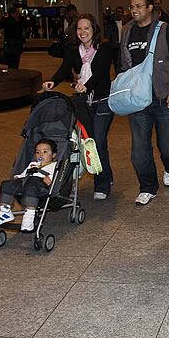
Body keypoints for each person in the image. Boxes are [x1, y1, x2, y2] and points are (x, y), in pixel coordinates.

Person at [119, 0, 169, 206]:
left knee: (168, 146)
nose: (134, 10)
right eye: (132, 6)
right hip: (138, 100)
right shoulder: (127, 31)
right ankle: (147, 187)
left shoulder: (164, 29)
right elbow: (123, 64)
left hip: (163, 97)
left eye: (139, 6)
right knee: (139, 148)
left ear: (150, 8)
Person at [43, 13, 114, 200]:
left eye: (87, 28)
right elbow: (65, 67)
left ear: (94, 30)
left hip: (103, 102)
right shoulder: (74, 50)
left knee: (98, 141)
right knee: (89, 141)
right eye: (79, 28)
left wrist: (86, 86)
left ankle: (102, 184)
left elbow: (99, 74)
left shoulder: (104, 48)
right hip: (83, 103)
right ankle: (107, 174)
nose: (83, 32)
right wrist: (53, 81)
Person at [0, 139, 58, 232]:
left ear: (53, 155)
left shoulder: (54, 166)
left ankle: (29, 214)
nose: (41, 154)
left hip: (42, 189)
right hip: (27, 185)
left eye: (45, 152)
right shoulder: (33, 164)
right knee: (7, 184)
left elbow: (56, 180)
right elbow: (23, 175)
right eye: (38, 152)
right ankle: (5, 211)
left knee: (32, 182)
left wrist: (50, 180)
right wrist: (18, 178)